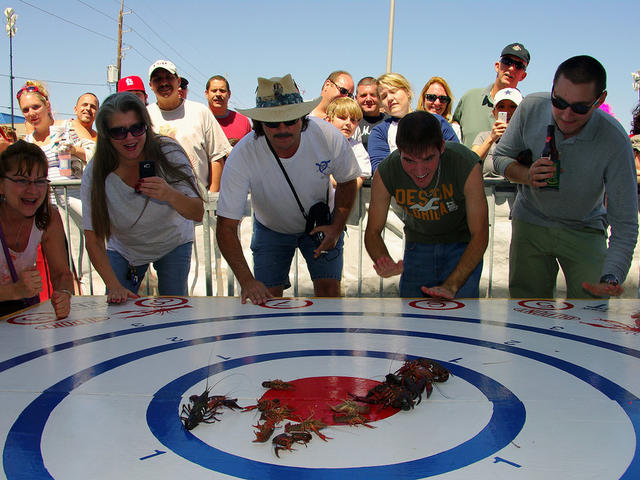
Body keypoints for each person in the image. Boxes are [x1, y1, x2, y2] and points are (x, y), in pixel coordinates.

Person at [493, 55, 638, 299]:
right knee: (526, 312)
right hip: (530, 224)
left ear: (600, 99)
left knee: (591, 311)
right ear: (552, 88)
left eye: (580, 107)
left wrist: (611, 277)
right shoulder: (530, 107)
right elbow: (500, 159)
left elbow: (625, 223)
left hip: (585, 229)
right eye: (558, 102)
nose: (566, 115)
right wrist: (527, 175)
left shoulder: (615, 139)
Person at [216, 74, 361, 305]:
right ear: (260, 124)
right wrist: (246, 281)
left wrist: (337, 226)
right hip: (271, 229)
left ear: (303, 119)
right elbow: (225, 226)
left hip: (321, 224)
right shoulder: (242, 154)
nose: (282, 129)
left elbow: (347, 181)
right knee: (266, 299)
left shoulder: (328, 135)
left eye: (291, 120)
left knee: (329, 294)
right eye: (273, 123)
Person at [81, 92, 204, 303]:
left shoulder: (169, 153)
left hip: (172, 242)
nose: (130, 138)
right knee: (117, 310)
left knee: (174, 310)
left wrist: (169, 195)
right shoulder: (95, 172)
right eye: (119, 132)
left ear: (147, 126)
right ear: (105, 135)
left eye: (137, 128)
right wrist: (113, 286)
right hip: (124, 248)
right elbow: (92, 239)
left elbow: (197, 212)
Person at [365, 111, 488, 298]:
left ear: (442, 148)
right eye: (409, 160)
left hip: (462, 246)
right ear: (398, 150)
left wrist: (452, 285)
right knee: (413, 319)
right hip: (418, 246)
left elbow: (479, 234)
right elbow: (372, 231)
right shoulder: (386, 171)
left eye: (428, 158)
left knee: (462, 320)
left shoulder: (466, 163)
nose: (419, 170)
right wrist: (383, 260)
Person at [0, 140, 74, 318]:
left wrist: (64, 294)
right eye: (22, 180)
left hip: (23, 311)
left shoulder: (49, 217)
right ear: (1, 185)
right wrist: (14, 291)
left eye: (40, 181)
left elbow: (62, 273)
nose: (33, 190)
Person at [146, 60, 232, 192]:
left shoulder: (200, 111)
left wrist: (212, 195)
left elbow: (217, 156)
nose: (164, 83)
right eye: (158, 79)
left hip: (197, 201)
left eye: (169, 77)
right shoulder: (144, 116)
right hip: (159, 202)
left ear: (178, 81)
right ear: (151, 85)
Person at [369, 73, 458, 173]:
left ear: (407, 92)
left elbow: (456, 157)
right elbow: (380, 170)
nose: (389, 98)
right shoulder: (379, 132)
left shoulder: (437, 121)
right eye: (384, 96)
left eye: (393, 91)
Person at [453, 43, 530, 148]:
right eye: (507, 62)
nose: (512, 68)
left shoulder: (527, 112)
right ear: (497, 66)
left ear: (523, 76)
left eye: (519, 66)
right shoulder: (469, 98)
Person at [472, 88, 523, 178]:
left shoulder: (525, 138)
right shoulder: (483, 137)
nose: (507, 111)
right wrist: (491, 138)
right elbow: (470, 162)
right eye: (501, 107)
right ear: (494, 112)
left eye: (512, 106)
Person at [325, 97, 372, 188]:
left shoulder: (358, 149)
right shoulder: (317, 142)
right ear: (328, 120)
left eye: (353, 120)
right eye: (342, 117)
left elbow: (356, 183)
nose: (348, 123)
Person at [205, 75, 252, 146]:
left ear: (229, 94)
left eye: (222, 91)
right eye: (214, 91)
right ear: (206, 94)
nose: (218, 94)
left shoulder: (243, 121)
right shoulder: (198, 120)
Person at [353, 76, 387, 151]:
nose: (368, 99)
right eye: (363, 95)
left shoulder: (390, 122)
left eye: (372, 95)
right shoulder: (350, 123)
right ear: (356, 98)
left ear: (380, 97)